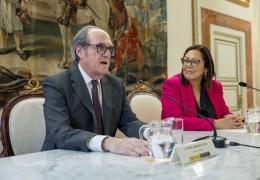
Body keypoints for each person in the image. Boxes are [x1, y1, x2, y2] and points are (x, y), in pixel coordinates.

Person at [41, 25, 149, 157]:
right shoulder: (57, 84)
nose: (108, 54)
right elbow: (60, 132)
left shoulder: (116, 84)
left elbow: (128, 122)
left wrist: (151, 133)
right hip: (61, 161)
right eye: (101, 47)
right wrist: (108, 142)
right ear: (80, 51)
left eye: (110, 49)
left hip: (101, 162)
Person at [161, 44, 244, 131]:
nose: (188, 65)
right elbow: (172, 121)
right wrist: (215, 123)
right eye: (185, 61)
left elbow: (224, 113)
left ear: (206, 67)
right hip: (185, 141)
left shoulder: (215, 86)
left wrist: (234, 119)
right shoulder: (172, 84)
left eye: (194, 62)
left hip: (215, 139)